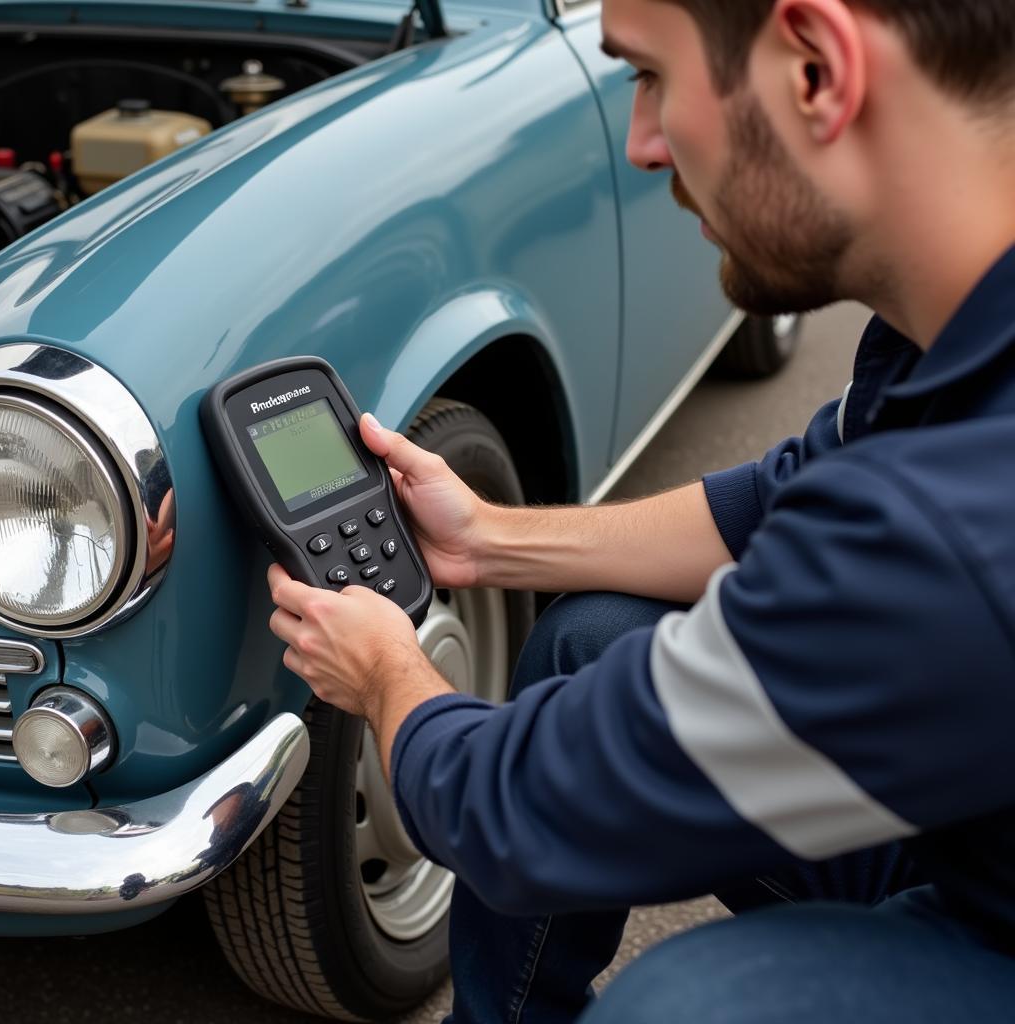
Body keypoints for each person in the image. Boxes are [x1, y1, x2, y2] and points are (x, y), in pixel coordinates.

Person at [267, 0, 1015, 1019]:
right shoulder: (944, 344)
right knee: (589, 639)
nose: (642, 144)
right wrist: (487, 538)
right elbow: (770, 504)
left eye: (651, 77)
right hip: (972, 818)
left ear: (815, 72)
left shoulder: (951, 520)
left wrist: (388, 674)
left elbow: (517, 808)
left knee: (687, 1004)